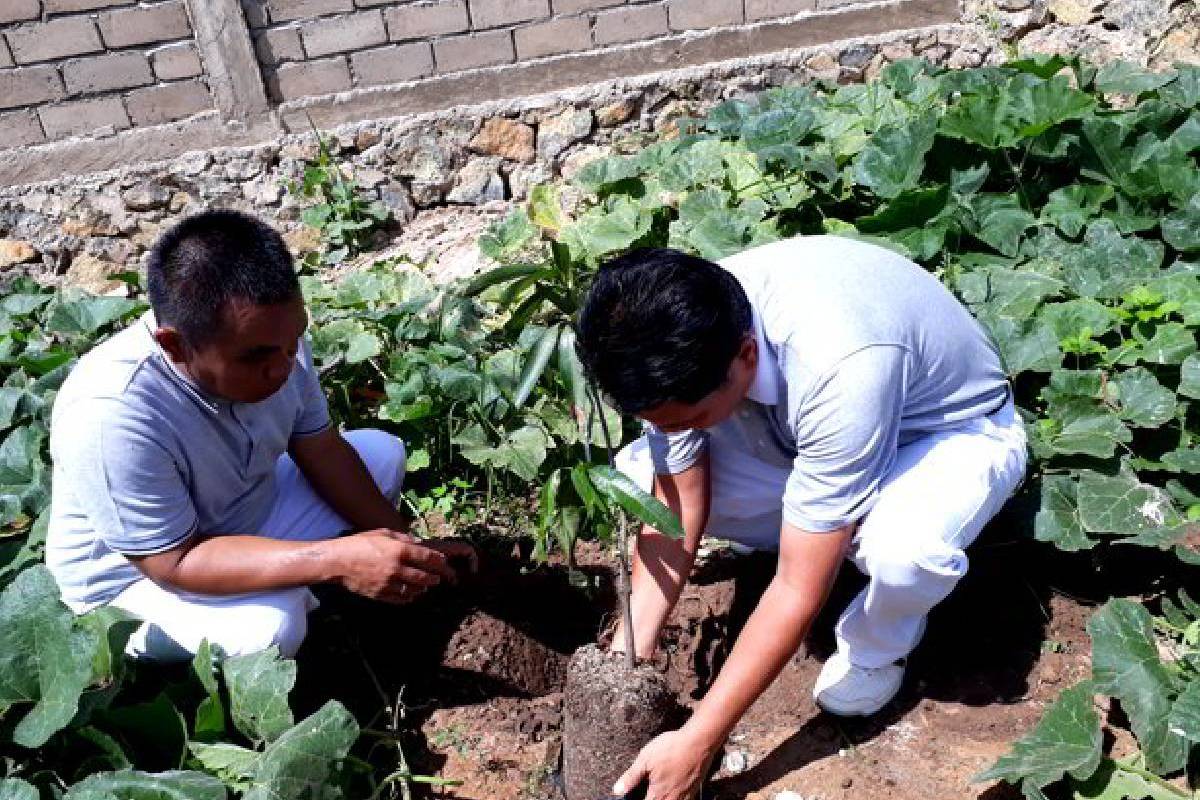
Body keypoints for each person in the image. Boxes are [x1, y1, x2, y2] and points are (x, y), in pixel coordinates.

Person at [575, 237, 1028, 800]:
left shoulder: (840, 361)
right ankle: (809, 522)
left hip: (941, 432)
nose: (676, 427)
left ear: (743, 357)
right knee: (643, 474)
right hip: (793, 431)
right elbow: (676, 503)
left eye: (690, 418)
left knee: (903, 551)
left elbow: (795, 587)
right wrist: (628, 658)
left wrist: (699, 741)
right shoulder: (667, 331)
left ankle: (877, 645)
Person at [45, 210, 475, 662]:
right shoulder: (112, 414)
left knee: (381, 454)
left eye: (294, 342)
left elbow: (322, 449)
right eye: (256, 358)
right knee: (271, 627)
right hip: (135, 587)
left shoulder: (273, 337)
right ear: (174, 345)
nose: (283, 367)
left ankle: (318, 580)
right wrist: (338, 560)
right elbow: (172, 563)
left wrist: (410, 550)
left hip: (238, 518)